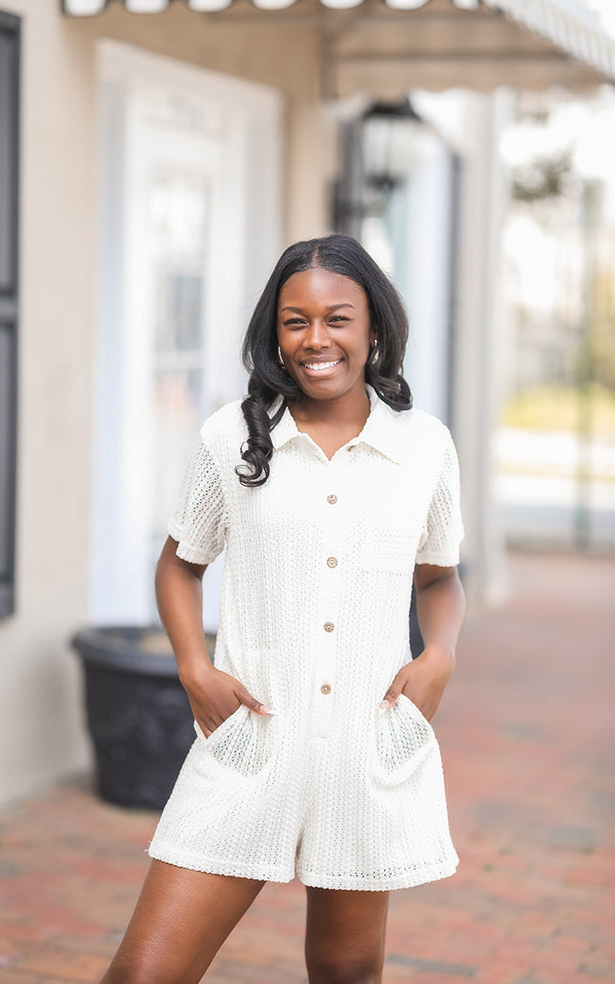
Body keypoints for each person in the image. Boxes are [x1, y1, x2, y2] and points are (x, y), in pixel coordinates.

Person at [100, 235, 466, 984]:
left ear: (373, 330)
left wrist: (439, 656)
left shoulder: (423, 447)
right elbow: (179, 562)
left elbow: (438, 576)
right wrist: (193, 667)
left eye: (337, 318)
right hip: (251, 743)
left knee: (345, 971)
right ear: (275, 332)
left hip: (363, 747)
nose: (315, 339)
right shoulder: (233, 437)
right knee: (146, 973)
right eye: (295, 321)